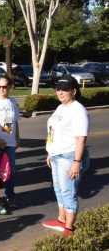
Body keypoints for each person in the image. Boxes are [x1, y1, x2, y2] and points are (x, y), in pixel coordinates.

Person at [42, 75, 89, 236]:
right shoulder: (61, 107)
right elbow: (53, 131)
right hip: (56, 155)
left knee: (68, 191)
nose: (61, 93)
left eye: (65, 90)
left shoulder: (78, 110)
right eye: (58, 89)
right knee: (59, 190)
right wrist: (50, 152)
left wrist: (76, 162)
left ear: (74, 91)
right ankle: (61, 219)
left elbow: (81, 139)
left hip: (69, 156)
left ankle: (69, 228)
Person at [0, 76, 21, 208]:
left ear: (9, 87)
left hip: (10, 142)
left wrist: (18, 138)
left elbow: (15, 122)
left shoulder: (12, 101)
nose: (2, 89)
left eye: (4, 86)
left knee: (11, 171)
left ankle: (10, 195)